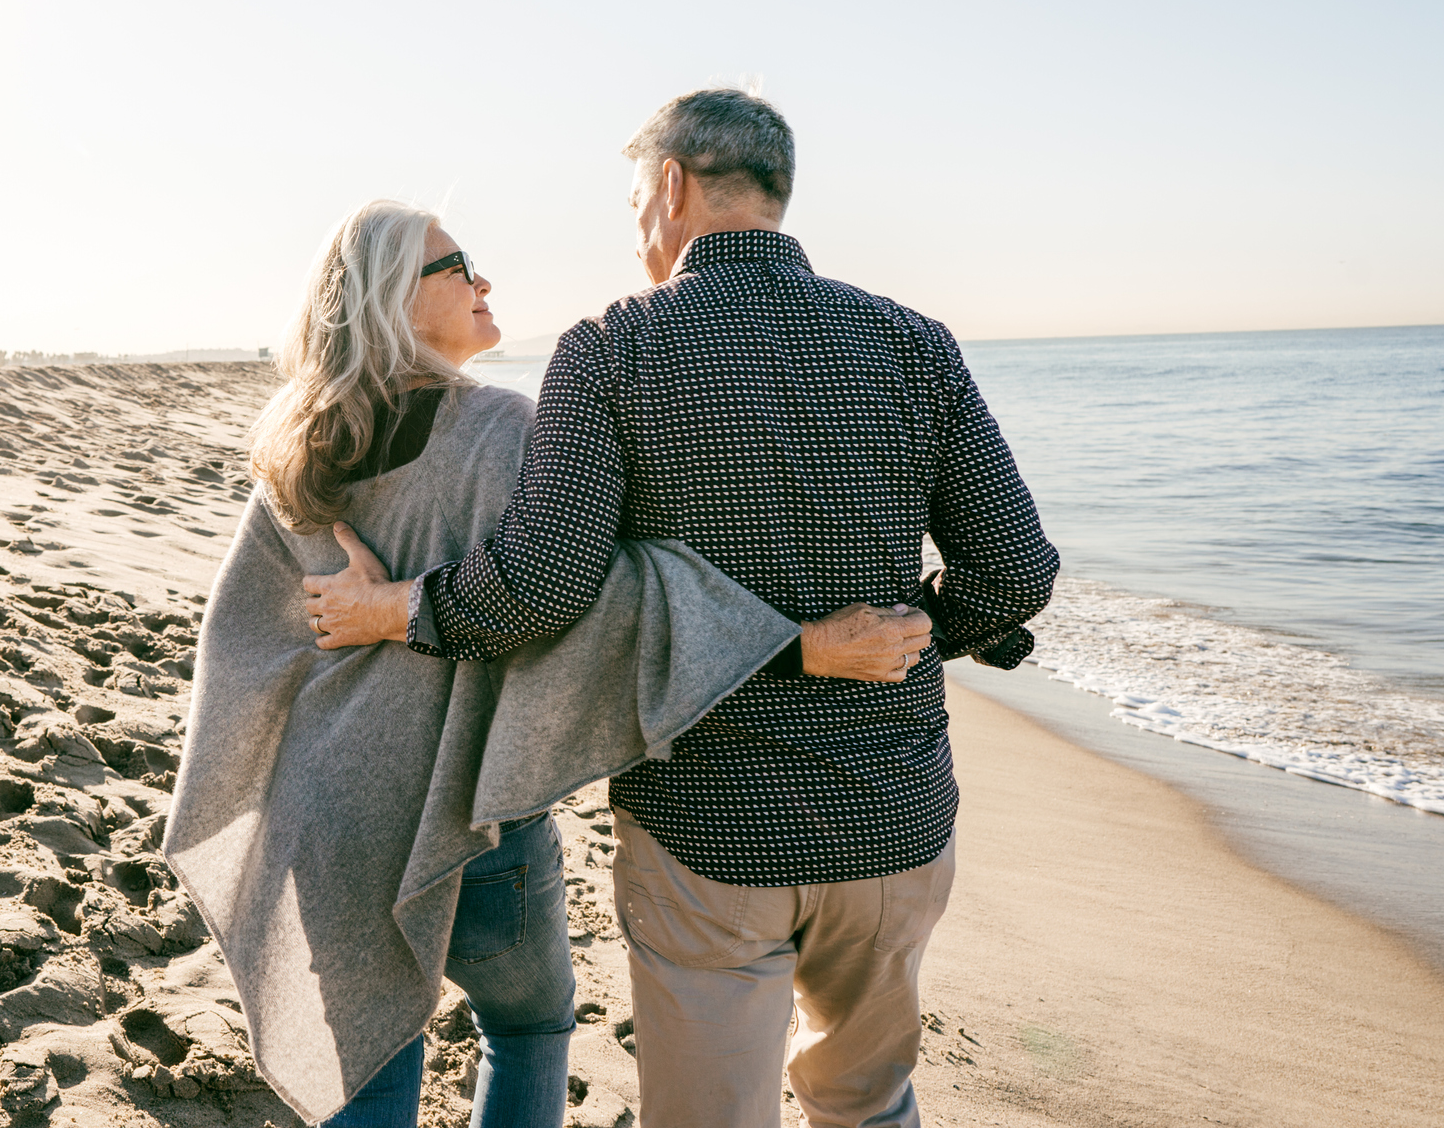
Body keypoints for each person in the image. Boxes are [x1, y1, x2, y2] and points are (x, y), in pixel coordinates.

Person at [304, 89, 1061, 1128]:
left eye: (630, 205)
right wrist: (919, 627)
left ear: (670, 187)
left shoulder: (612, 348)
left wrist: (399, 608)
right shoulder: (910, 340)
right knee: (868, 1105)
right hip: (893, 815)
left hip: (709, 826)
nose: (632, 237)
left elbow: (541, 586)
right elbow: (1014, 572)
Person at [163, 200, 932, 1128]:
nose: (484, 281)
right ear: (394, 300)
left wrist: (354, 638)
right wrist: (800, 641)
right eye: (458, 268)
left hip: (328, 814)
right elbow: (596, 601)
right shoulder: (501, 432)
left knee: (367, 1060)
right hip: (474, 816)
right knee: (527, 1028)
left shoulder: (297, 444)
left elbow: (244, 634)